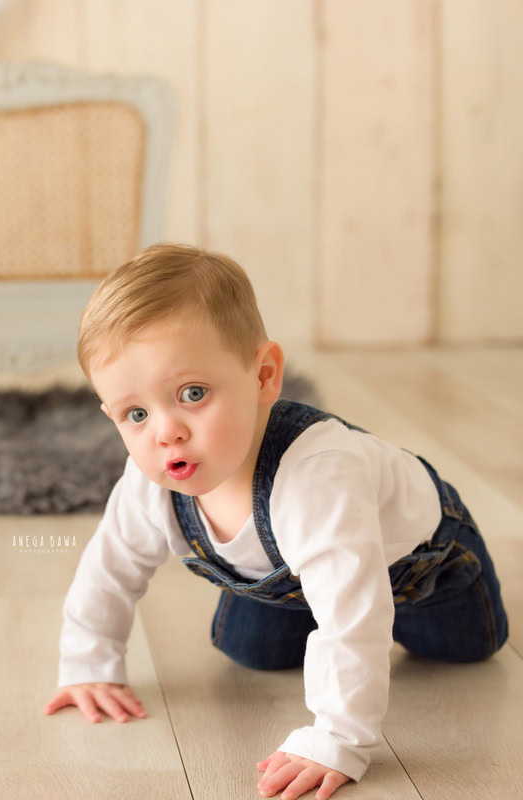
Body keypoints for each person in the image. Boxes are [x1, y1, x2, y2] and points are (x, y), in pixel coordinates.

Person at [39, 243, 509, 800]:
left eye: (193, 394)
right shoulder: (151, 481)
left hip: (421, 563)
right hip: (298, 578)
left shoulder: (317, 477)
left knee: (461, 649)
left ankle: (458, 607)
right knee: (250, 653)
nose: (165, 433)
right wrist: (89, 662)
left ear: (264, 376)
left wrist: (337, 737)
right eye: (135, 414)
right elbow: (110, 567)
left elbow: (354, 615)